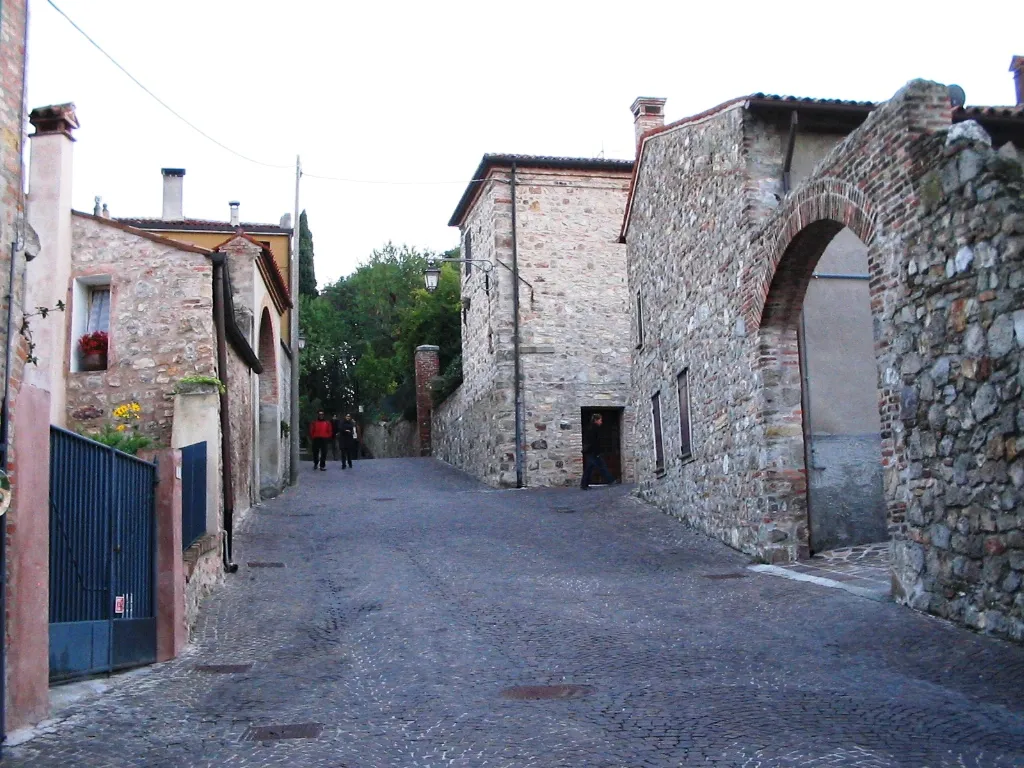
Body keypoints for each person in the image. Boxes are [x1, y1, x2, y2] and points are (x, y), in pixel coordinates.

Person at [581, 413, 616, 489]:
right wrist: (597, 452)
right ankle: (610, 480)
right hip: (592, 451)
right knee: (598, 466)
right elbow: (594, 442)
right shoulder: (594, 429)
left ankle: (584, 485)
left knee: (591, 467)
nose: (601, 422)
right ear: (596, 420)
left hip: (590, 451)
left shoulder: (591, 428)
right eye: (600, 420)